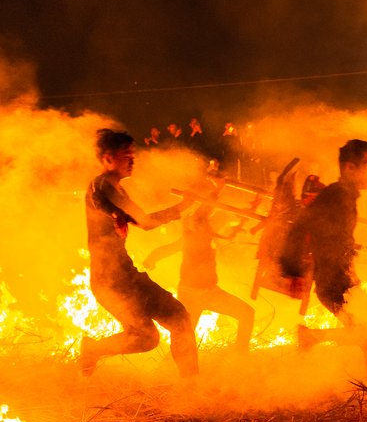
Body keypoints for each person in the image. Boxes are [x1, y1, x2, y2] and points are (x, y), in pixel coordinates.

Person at [81, 128, 198, 378]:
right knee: (146, 337)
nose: (132, 160)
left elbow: (138, 219)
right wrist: (183, 206)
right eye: (126, 155)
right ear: (108, 159)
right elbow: (144, 221)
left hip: (126, 275)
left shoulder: (116, 189)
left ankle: (192, 386)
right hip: (110, 281)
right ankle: (93, 349)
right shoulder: (101, 186)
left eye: (133, 154)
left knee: (179, 319)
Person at [144, 169, 255, 352]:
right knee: (184, 337)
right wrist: (217, 189)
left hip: (210, 292)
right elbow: (203, 212)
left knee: (246, 314)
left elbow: (172, 247)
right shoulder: (194, 222)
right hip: (192, 294)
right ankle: (168, 368)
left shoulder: (198, 229)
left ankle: (240, 357)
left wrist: (152, 257)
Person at [280, 139, 367, 316]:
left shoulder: (346, 197)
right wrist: (292, 272)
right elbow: (301, 225)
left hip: (344, 283)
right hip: (334, 287)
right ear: (350, 168)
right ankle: (309, 338)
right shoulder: (335, 196)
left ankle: (311, 338)